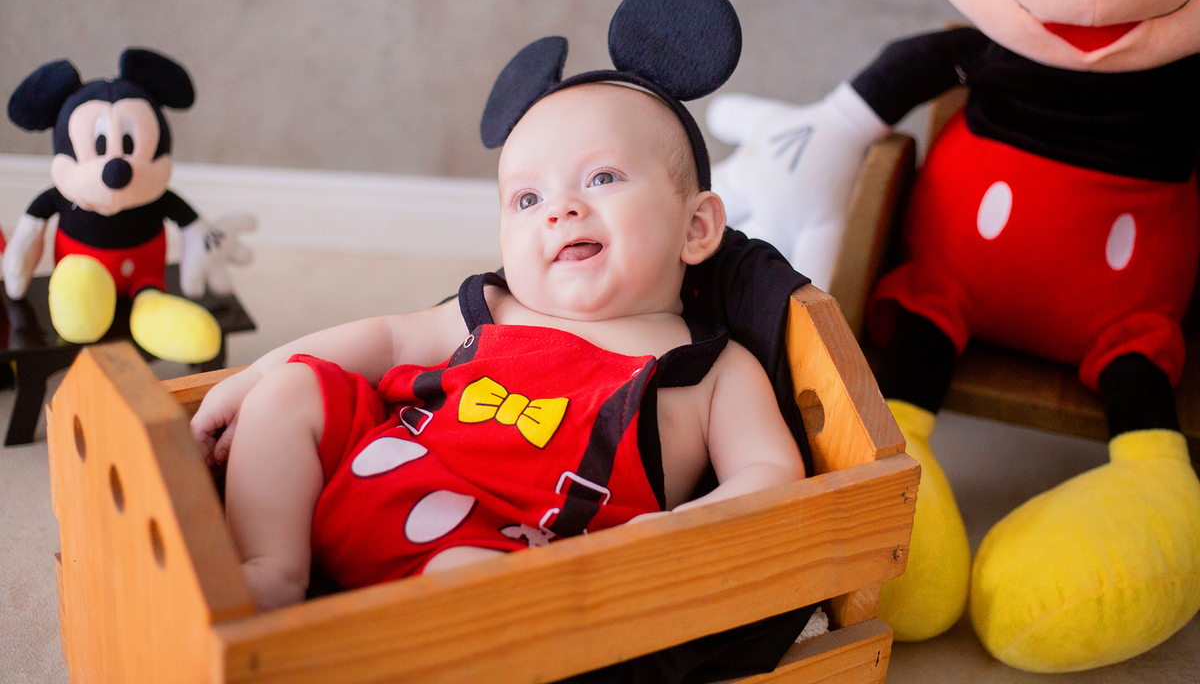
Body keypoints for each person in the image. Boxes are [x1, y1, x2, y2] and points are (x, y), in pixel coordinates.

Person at [191, 81, 805, 611]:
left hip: (500, 546)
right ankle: (270, 571)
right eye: (527, 199)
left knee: (488, 596)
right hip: (369, 468)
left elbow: (769, 471)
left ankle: (378, 639)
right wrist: (257, 376)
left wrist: (671, 533)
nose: (561, 209)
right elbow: (386, 336)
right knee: (294, 388)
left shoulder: (712, 368)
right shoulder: (497, 308)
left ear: (696, 228)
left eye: (603, 177)